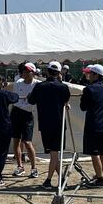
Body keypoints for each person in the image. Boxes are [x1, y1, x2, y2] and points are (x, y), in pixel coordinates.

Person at [27, 61, 71, 189]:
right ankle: (59, 180)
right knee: (54, 154)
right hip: (59, 124)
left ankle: (50, 180)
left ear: (47, 71)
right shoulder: (63, 87)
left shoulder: (40, 86)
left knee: (53, 154)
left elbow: (31, 100)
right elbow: (66, 99)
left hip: (45, 124)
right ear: (59, 73)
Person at [80, 64, 103, 188]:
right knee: (101, 153)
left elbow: (83, 107)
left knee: (94, 154)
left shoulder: (89, 89)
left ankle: (100, 180)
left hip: (93, 125)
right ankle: (98, 175)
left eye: (90, 73)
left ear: (95, 75)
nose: (88, 76)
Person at [11, 63, 39, 178]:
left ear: (33, 72)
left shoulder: (38, 85)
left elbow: (32, 103)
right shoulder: (18, 83)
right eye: (24, 71)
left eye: (27, 71)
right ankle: (20, 166)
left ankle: (34, 168)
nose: (25, 73)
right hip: (15, 113)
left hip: (27, 115)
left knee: (27, 142)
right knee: (16, 141)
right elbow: (15, 99)